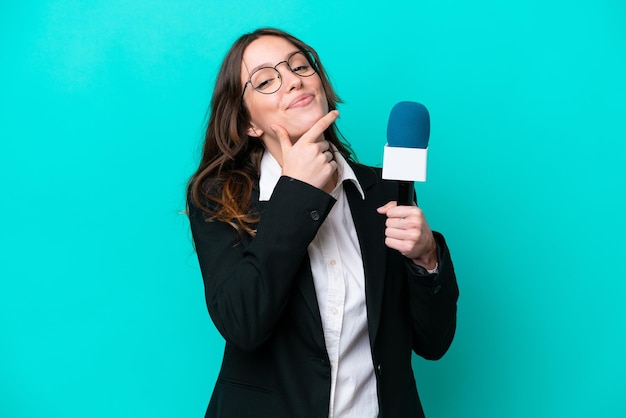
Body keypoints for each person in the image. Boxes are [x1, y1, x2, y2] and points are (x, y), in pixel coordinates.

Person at [187, 27, 459, 418]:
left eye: (300, 65)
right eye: (265, 79)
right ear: (249, 124)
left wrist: (427, 259)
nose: (294, 79)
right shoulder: (217, 198)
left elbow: (433, 343)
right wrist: (296, 192)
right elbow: (243, 323)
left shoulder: (385, 190)